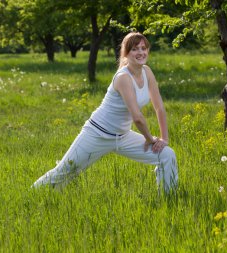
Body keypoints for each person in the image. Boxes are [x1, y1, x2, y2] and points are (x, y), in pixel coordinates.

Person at [32, 32, 178, 193]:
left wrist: (164, 138)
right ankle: (32, 196)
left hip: (122, 137)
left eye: (144, 48)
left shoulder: (147, 72)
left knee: (166, 155)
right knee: (65, 171)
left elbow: (159, 107)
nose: (141, 52)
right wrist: (150, 140)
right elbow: (138, 118)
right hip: (97, 133)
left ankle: (168, 197)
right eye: (135, 49)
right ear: (126, 53)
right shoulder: (123, 77)